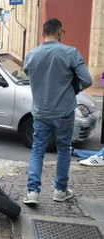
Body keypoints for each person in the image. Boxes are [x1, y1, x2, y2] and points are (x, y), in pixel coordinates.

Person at [22, 18, 93, 205]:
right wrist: (73, 88)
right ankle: (60, 191)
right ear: (60, 31)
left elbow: (30, 75)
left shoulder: (31, 55)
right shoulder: (70, 52)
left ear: (43, 33)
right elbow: (87, 80)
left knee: (37, 150)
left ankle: (32, 193)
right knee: (63, 150)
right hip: (64, 111)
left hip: (41, 111)